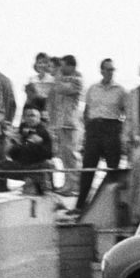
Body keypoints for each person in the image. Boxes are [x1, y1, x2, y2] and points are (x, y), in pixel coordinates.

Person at [75, 58, 128, 210]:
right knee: (88, 168)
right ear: (102, 71)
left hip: (111, 128)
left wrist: (120, 131)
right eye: (108, 69)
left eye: (112, 69)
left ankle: (112, 205)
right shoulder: (92, 88)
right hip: (94, 128)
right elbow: (86, 111)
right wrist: (88, 129)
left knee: (112, 169)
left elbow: (127, 113)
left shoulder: (120, 90)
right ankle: (80, 205)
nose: (110, 72)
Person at [0, 105, 56, 194]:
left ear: (39, 117)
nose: (31, 119)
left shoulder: (45, 131)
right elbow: (13, 156)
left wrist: (39, 144)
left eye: (34, 116)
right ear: (24, 117)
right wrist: (12, 144)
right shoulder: (21, 129)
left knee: (48, 164)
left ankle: (45, 189)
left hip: (36, 166)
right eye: (29, 116)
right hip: (22, 165)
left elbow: (50, 154)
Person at [48, 56, 84, 195]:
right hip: (62, 123)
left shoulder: (77, 80)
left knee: (72, 156)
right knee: (64, 156)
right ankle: (68, 184)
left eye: (63, 65)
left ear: (71, 66)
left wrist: (57, 74)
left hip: (71, 123)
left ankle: (75, 186)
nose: (61, 68)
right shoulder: (64, 78)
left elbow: (60, 88)